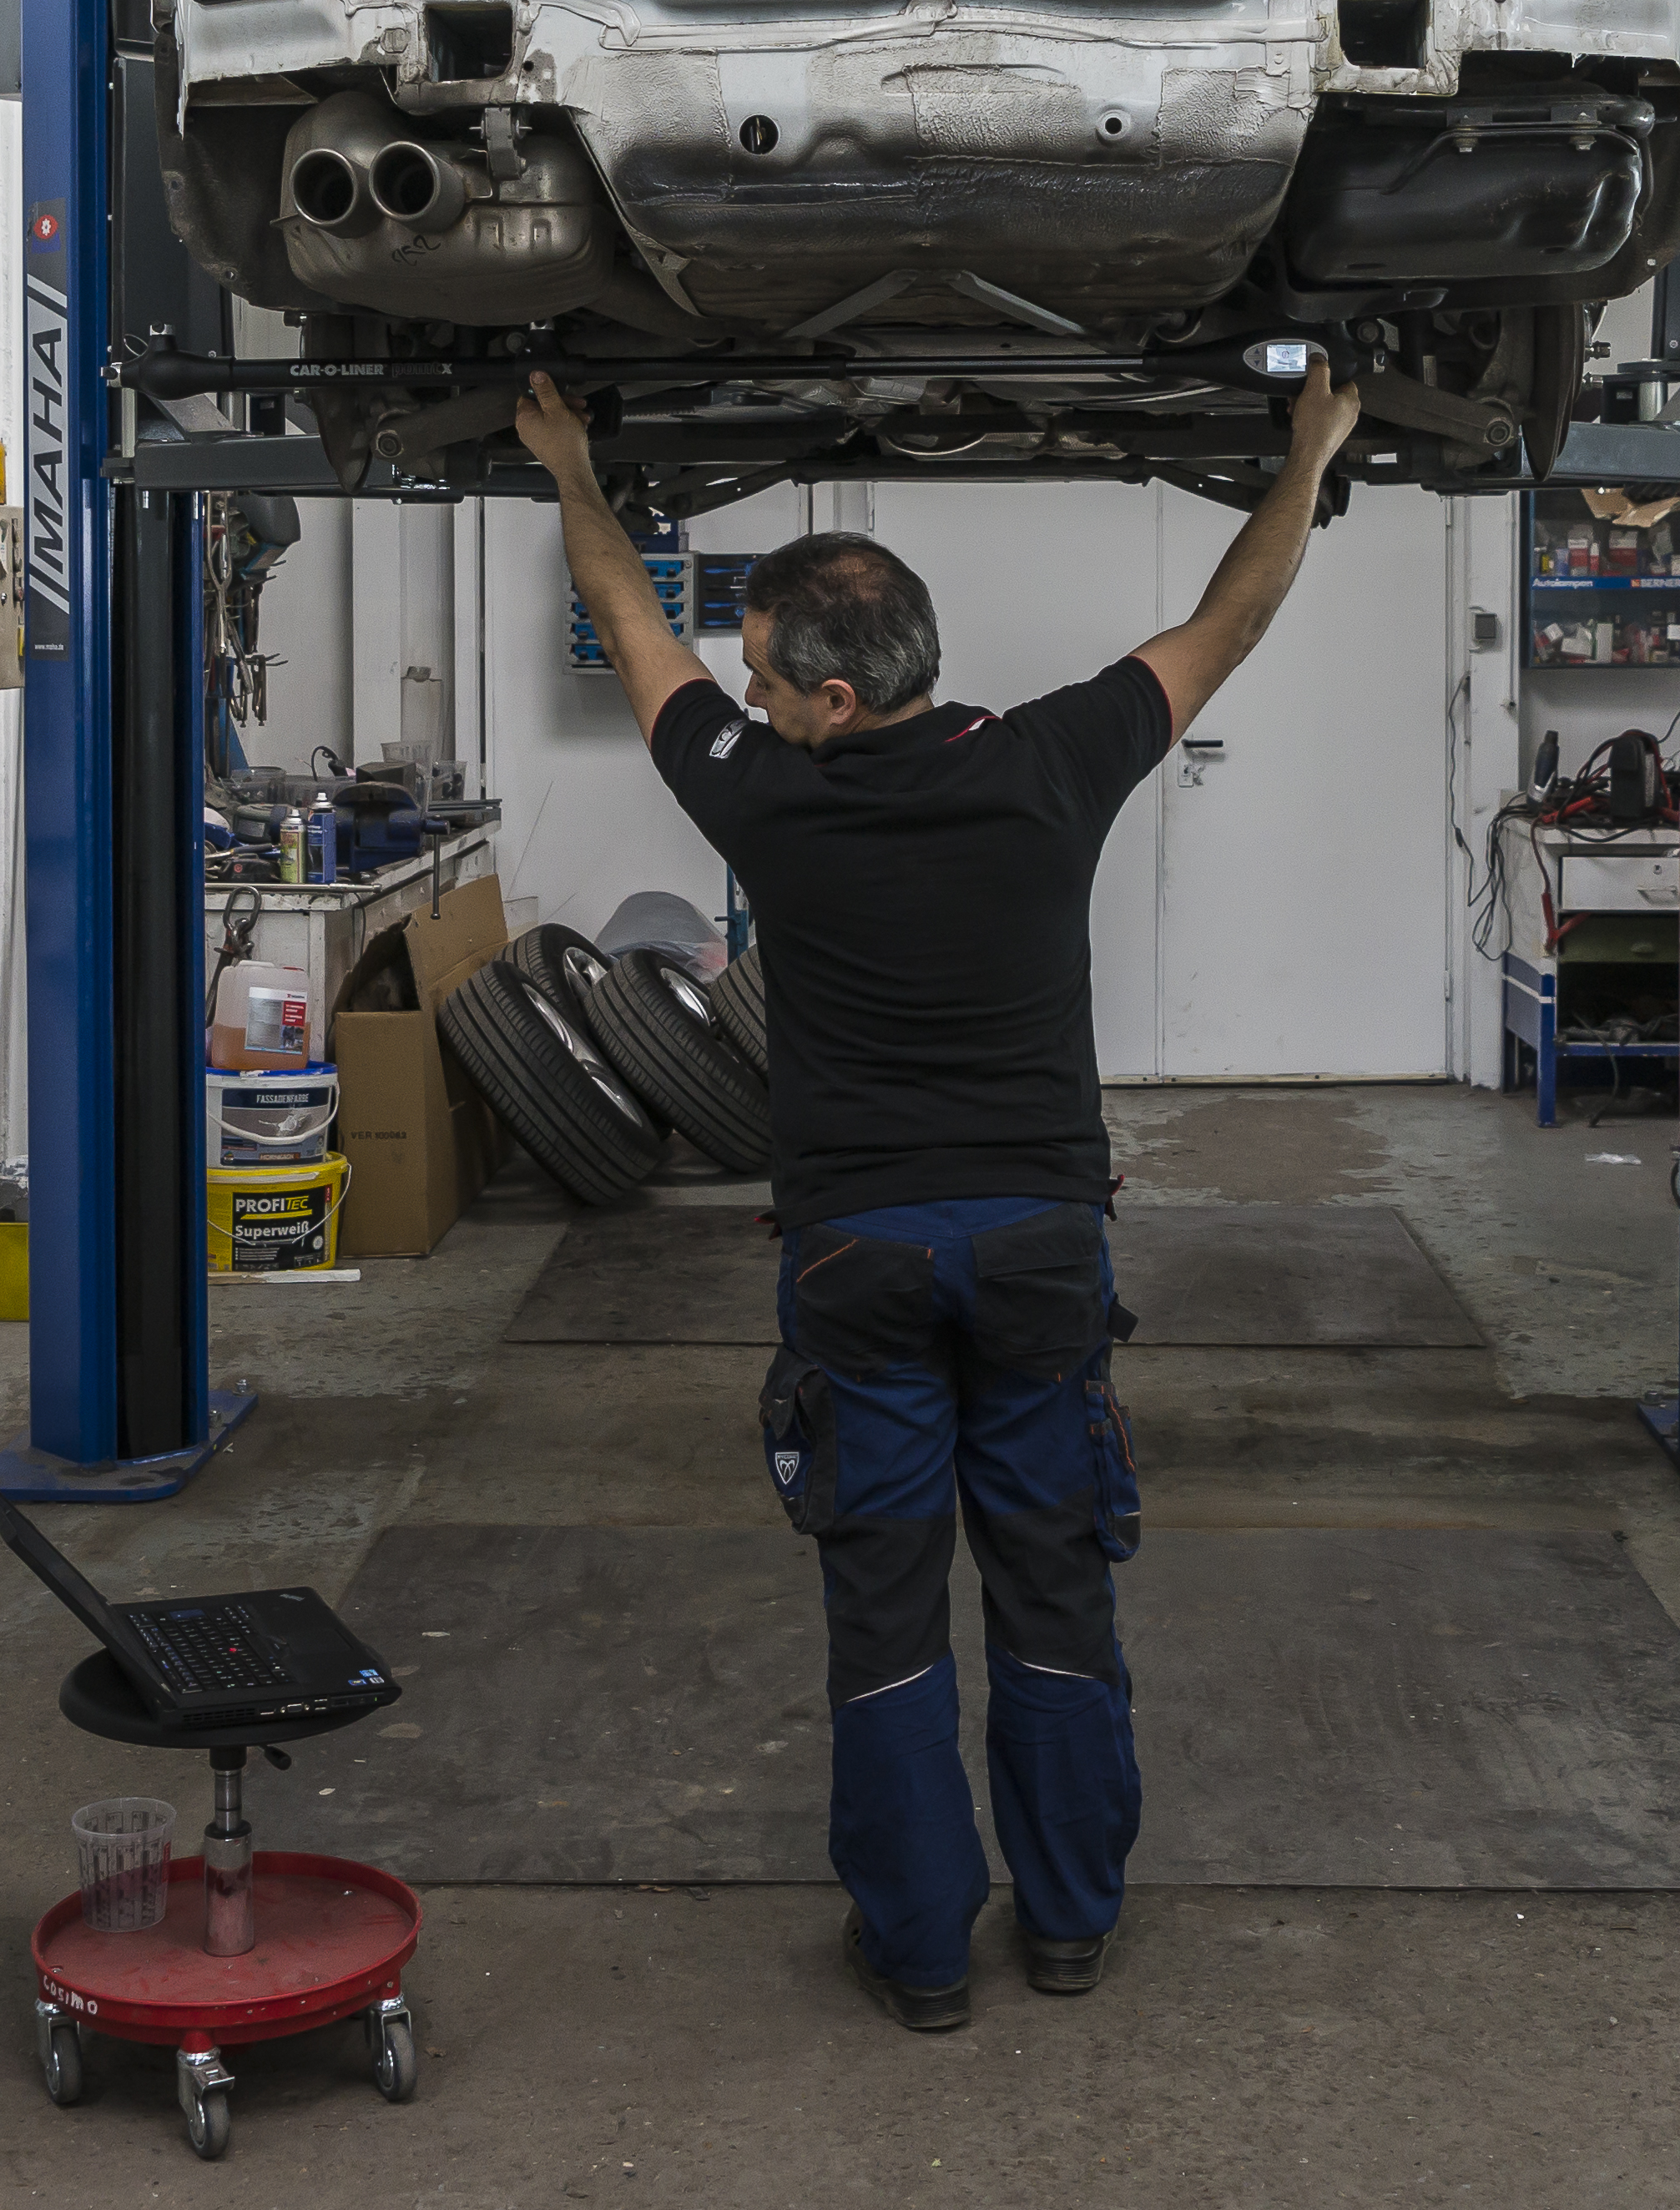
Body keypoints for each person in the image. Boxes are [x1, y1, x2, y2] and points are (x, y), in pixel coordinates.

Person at [515, 364, 1360, 2030]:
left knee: (885, 1610)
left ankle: (915, 1957)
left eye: (760, 678)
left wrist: (572, 469)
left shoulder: (768, 797)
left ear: (832, 698)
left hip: (859, 1259)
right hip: (1043, 1245)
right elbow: (1231, 621)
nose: (739, 698)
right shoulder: (1059, 757)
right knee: (1054, 1584)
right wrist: (1312, 453)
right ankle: (1065, 1923)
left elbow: (624, 618)